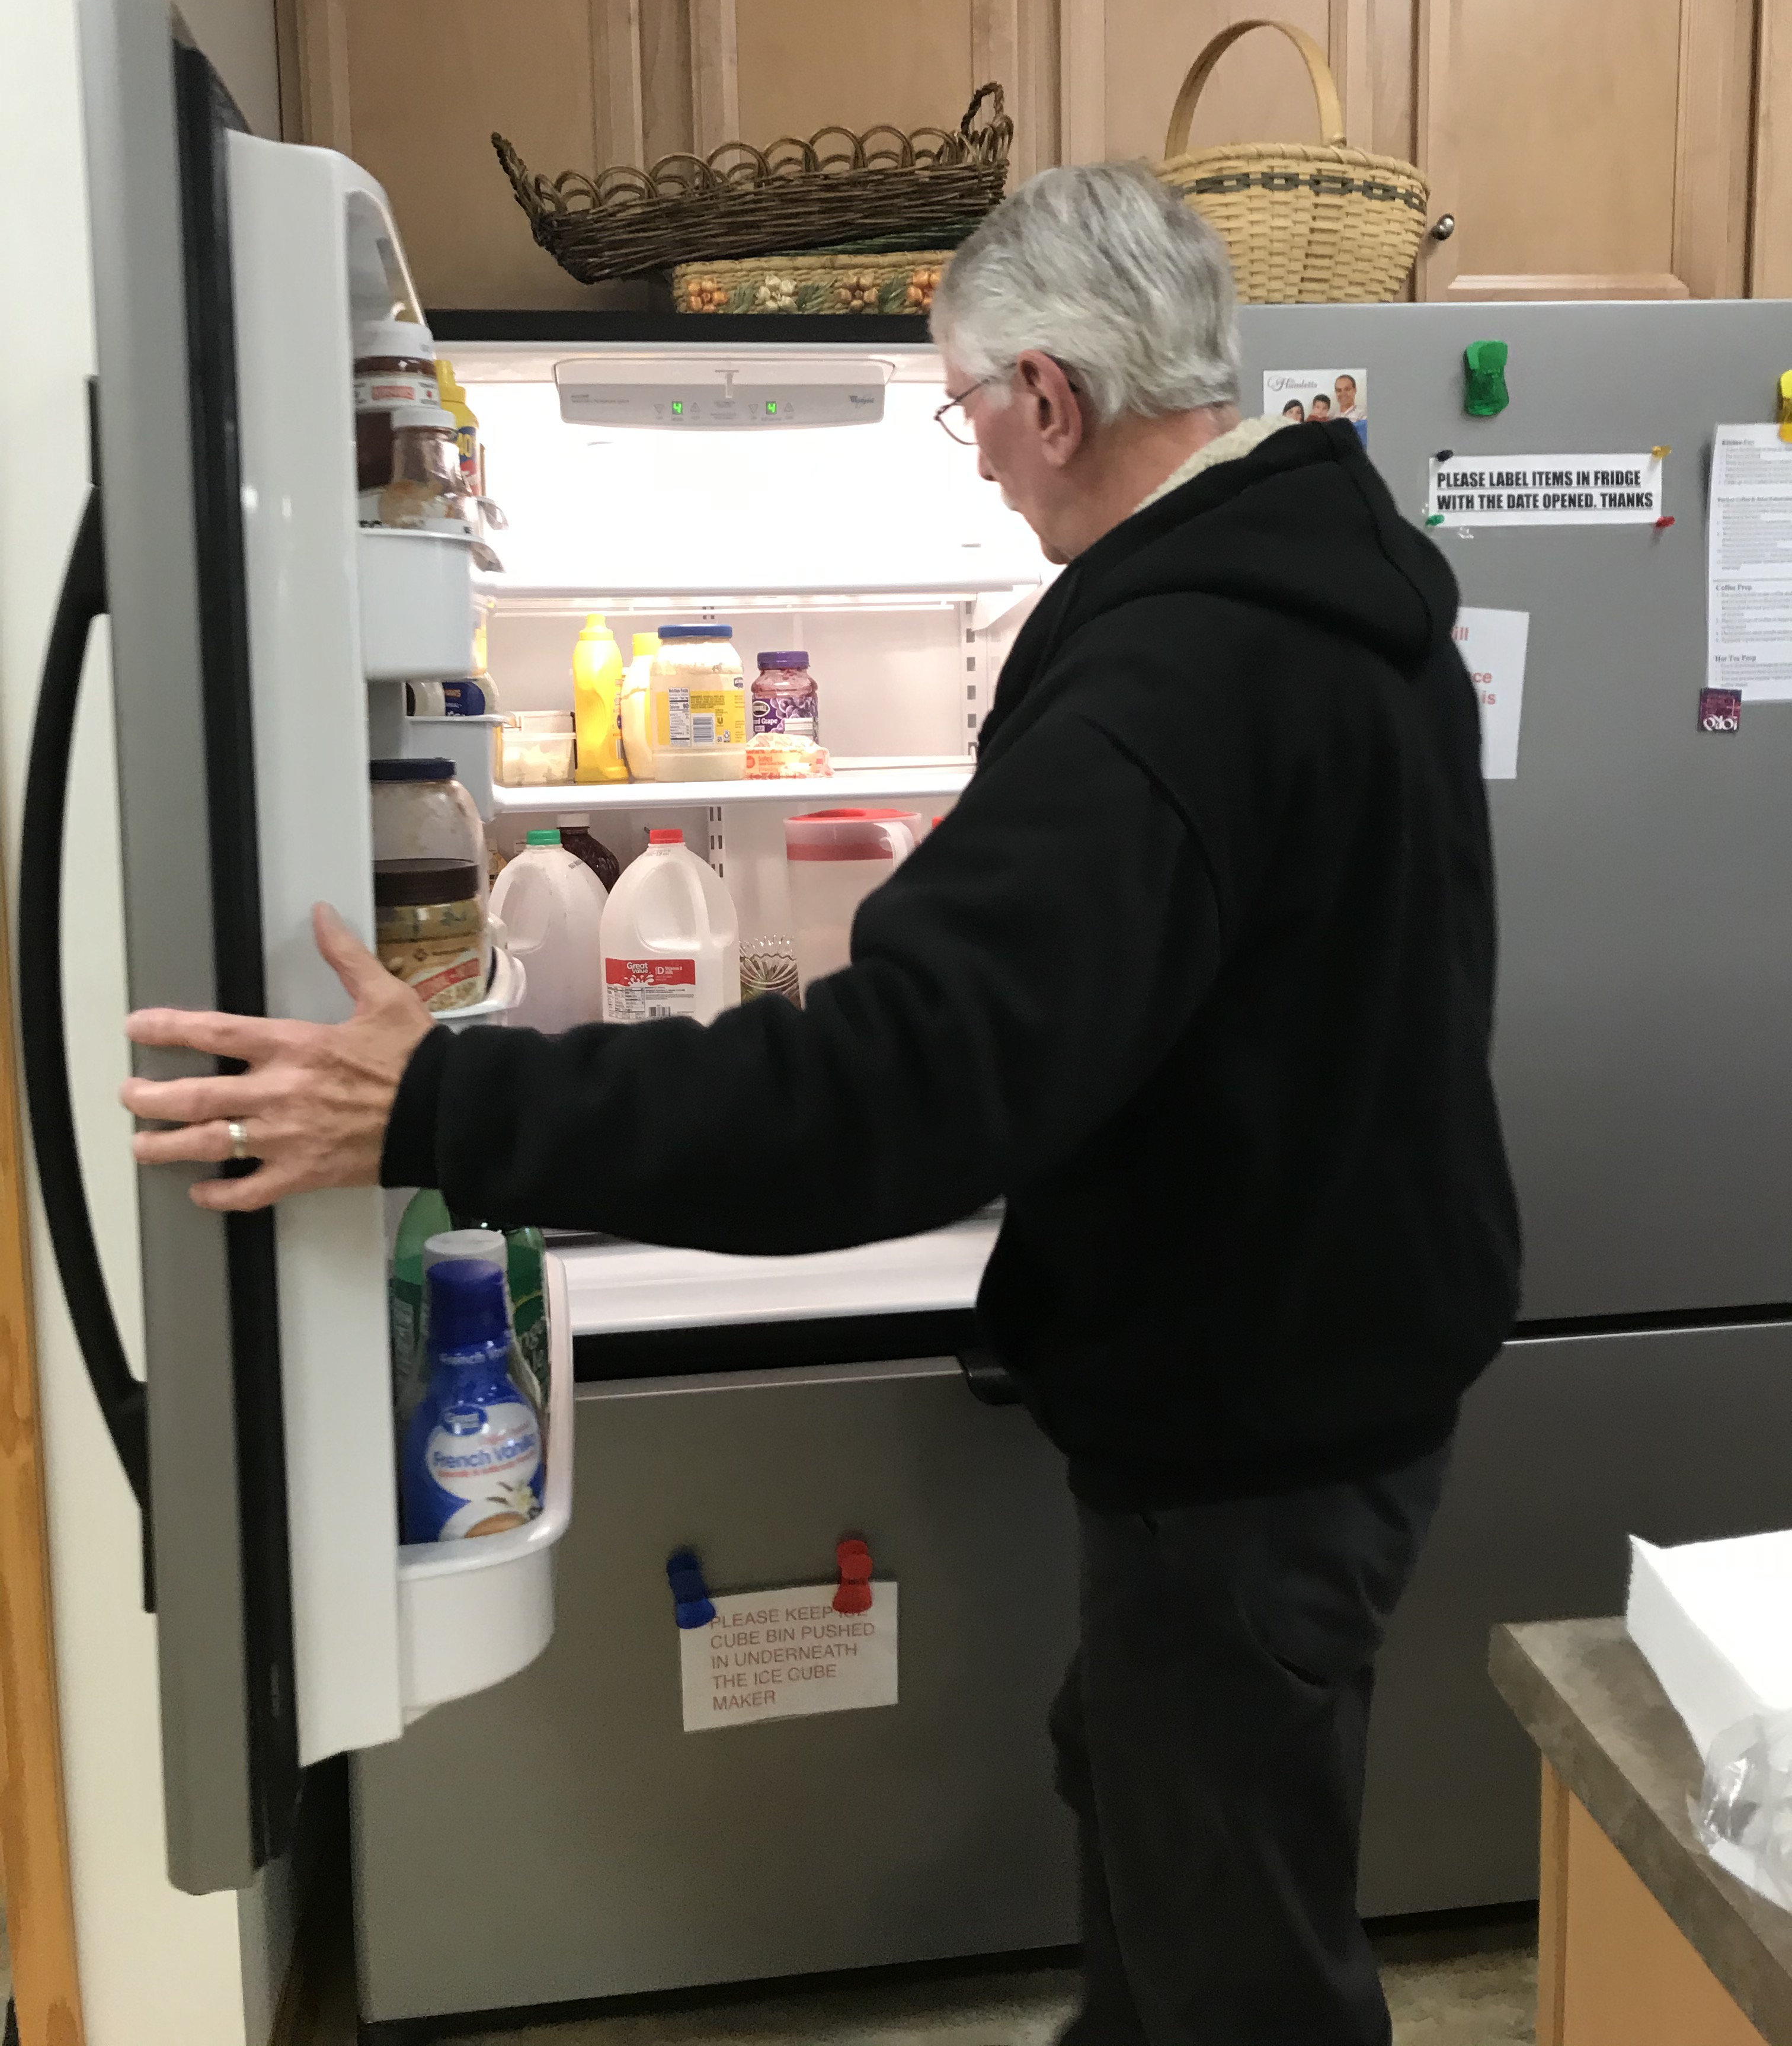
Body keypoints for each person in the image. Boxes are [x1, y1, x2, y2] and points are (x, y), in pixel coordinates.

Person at [121, 163, 1521, 2046]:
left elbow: (888, 1092)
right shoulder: (1332, 594)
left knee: (1239, 1953)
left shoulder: (1174, 673)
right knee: (1163, 1816)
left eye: (967, 411)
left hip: (1254, 1424)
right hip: (1323, 1367)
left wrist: (442, 1104)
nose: (976, 460)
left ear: (1050, 398)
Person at [1335, 372, 1369, 449]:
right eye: (1339, 390)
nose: (1343, 393)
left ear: (1355, 390)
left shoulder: (1363, 415)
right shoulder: (1331, 417)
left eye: (1347, 389)